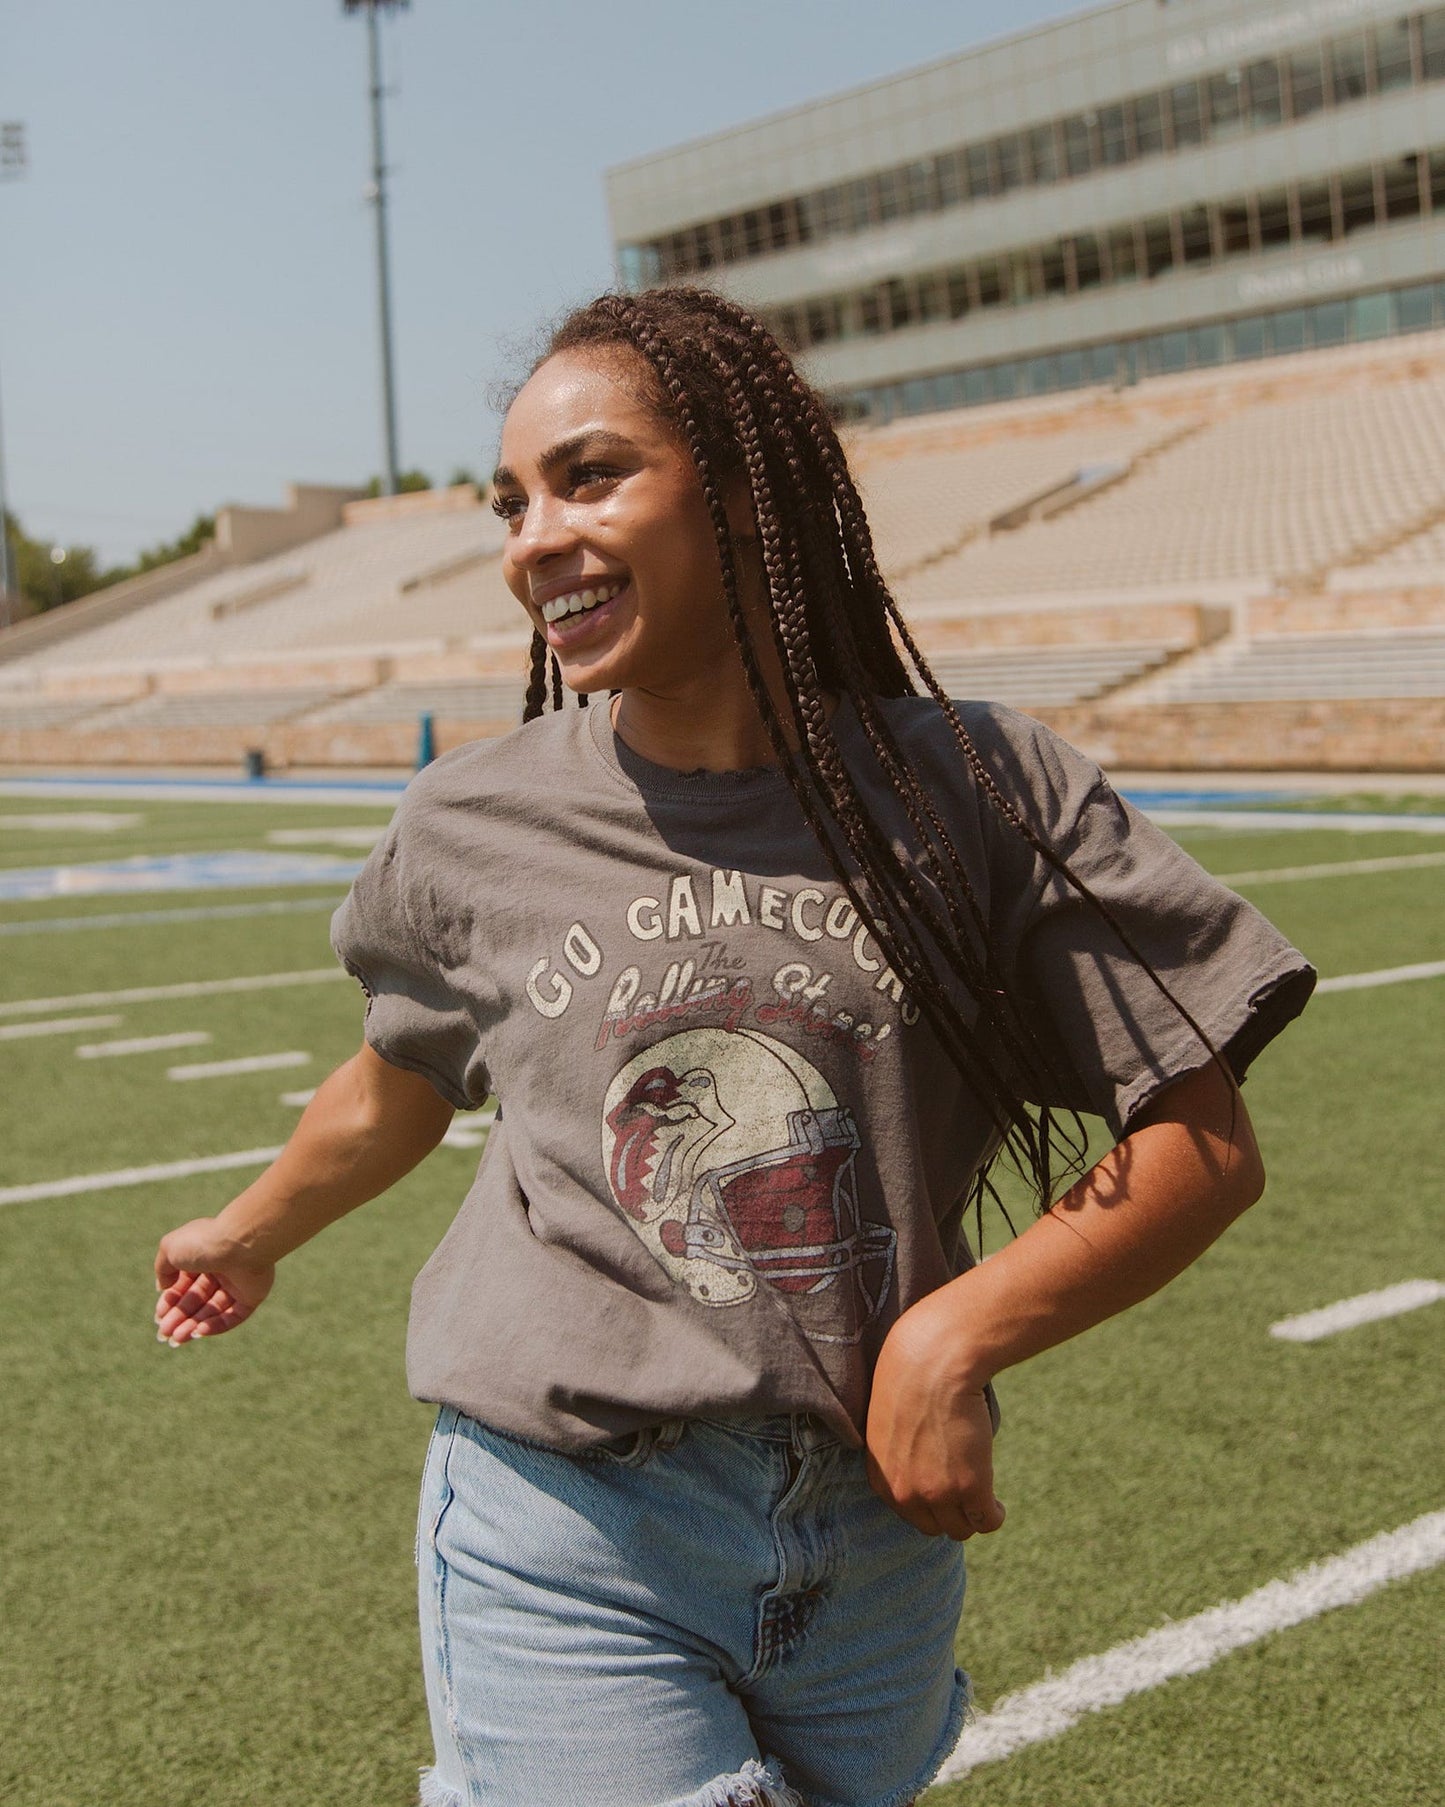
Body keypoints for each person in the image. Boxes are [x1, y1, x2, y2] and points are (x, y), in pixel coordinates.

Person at [153, 287, 1315, 1807]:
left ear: (750, 494)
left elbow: (1199, 1146)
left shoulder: (976, 789)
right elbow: (396, 1079)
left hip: (875, 1538)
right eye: (511, 502)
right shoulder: (468, 823)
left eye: (588, 476)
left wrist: (950, 1334)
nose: (531, 538)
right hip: (567, 1512)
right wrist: (248, 1232)